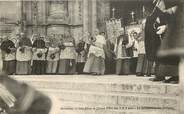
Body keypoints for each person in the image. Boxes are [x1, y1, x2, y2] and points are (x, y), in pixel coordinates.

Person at [146, 0, 180, 83]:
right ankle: (160, 74)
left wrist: (166, 27)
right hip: (160, 32)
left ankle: (176, 76)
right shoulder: (157, 3)